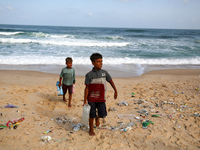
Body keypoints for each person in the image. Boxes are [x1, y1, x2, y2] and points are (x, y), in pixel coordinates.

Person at [83, 53, 118, 136]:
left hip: (101, 98)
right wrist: (85, 101)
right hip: (91, 98)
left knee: (103, 114)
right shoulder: (89, 75)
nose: (100, 63)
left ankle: (97, 118)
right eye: (98, 61)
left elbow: (111, 81)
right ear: (93, 63)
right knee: (91, 114)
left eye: (101, 61)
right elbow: (87, 88)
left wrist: (115, 91)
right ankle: (91, 129)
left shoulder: (104, 73)